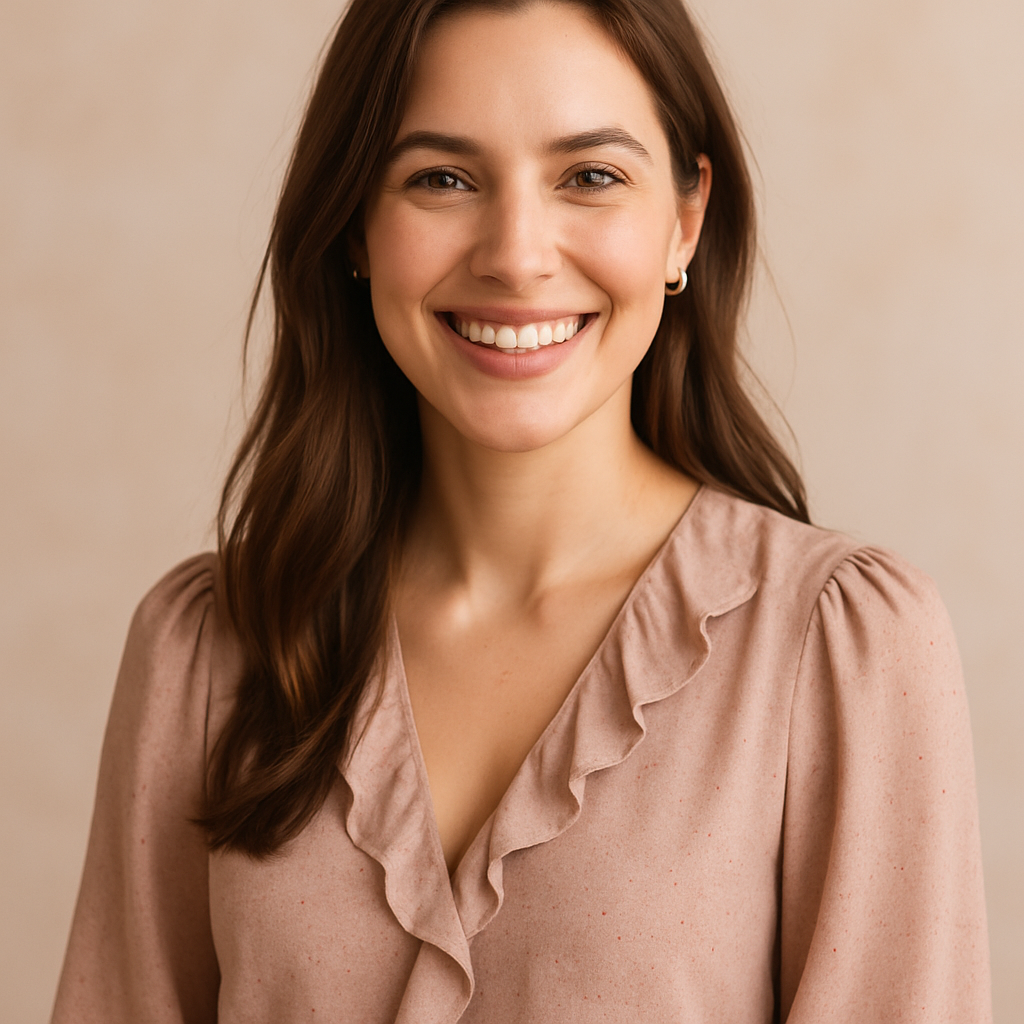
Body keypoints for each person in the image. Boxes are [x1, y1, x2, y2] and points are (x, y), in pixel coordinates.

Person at [51, 0, 992, 1021]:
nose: (514, 253)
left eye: (590, 176)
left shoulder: (839, 649)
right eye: (441, 179)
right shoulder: (203, 651)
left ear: (684, 220)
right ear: (356, 223)